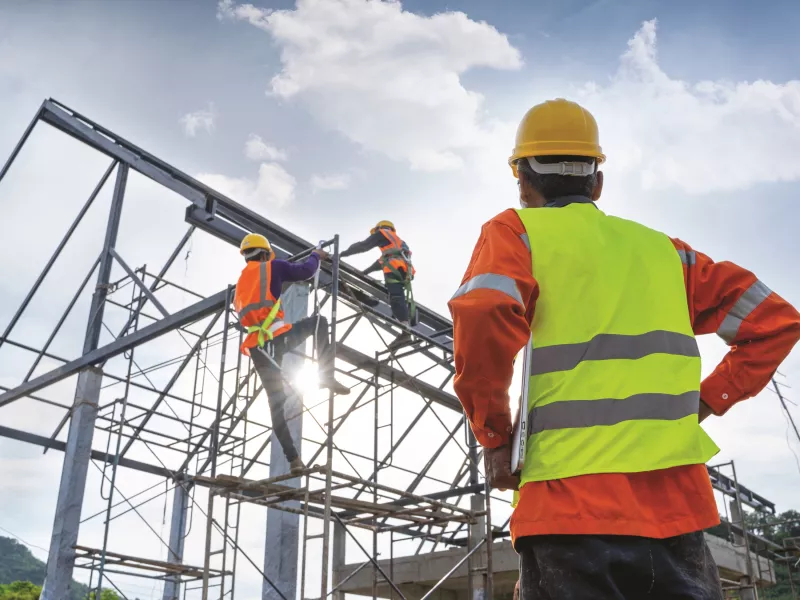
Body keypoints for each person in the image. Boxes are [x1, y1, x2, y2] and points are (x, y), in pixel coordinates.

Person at [448, 98, 800, 599]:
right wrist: (704, 400)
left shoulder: (514, 233)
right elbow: (776, 321)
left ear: (522, 180)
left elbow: (483, 310)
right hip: (676, 516)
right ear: (597, 182)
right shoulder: (666, 253)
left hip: (565, 508)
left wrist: (494, 436)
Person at [234, 233, 350, 474]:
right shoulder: (272, 267)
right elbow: (305, 272)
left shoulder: (242, 282)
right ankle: (325, 375)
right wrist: (316, 256)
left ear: (246, 256)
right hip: (277, 336)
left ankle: (294, 460)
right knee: (320, 322)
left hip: (257, 346)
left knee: (275, 405)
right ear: (265, 253)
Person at [341, 220, 416, 349]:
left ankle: (405, 331)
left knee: (396, 297)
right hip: (403, 270)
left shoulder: (383, 233)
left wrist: (342, 253)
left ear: (379, 229)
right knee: (396, 296)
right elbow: (380, 262)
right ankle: (405, 329)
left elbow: (363, 246)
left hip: (394, 268)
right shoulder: (398, 243)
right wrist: (365, 272)